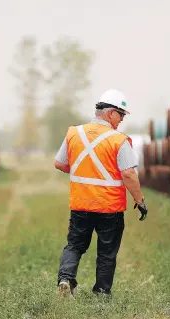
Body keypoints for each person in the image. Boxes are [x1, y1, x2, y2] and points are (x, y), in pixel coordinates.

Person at [53, 88, 148, 297]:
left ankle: (65, 279)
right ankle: (102, 293)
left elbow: (59, 163)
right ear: (111, 113)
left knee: (75, 245)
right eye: (121, 114)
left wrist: (82, 169)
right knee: (106, 253)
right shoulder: (118, 140)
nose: (122, 119)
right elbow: (129, 174)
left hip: (81, 204)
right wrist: (140, 201)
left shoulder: (74, 133)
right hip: (109, 208)